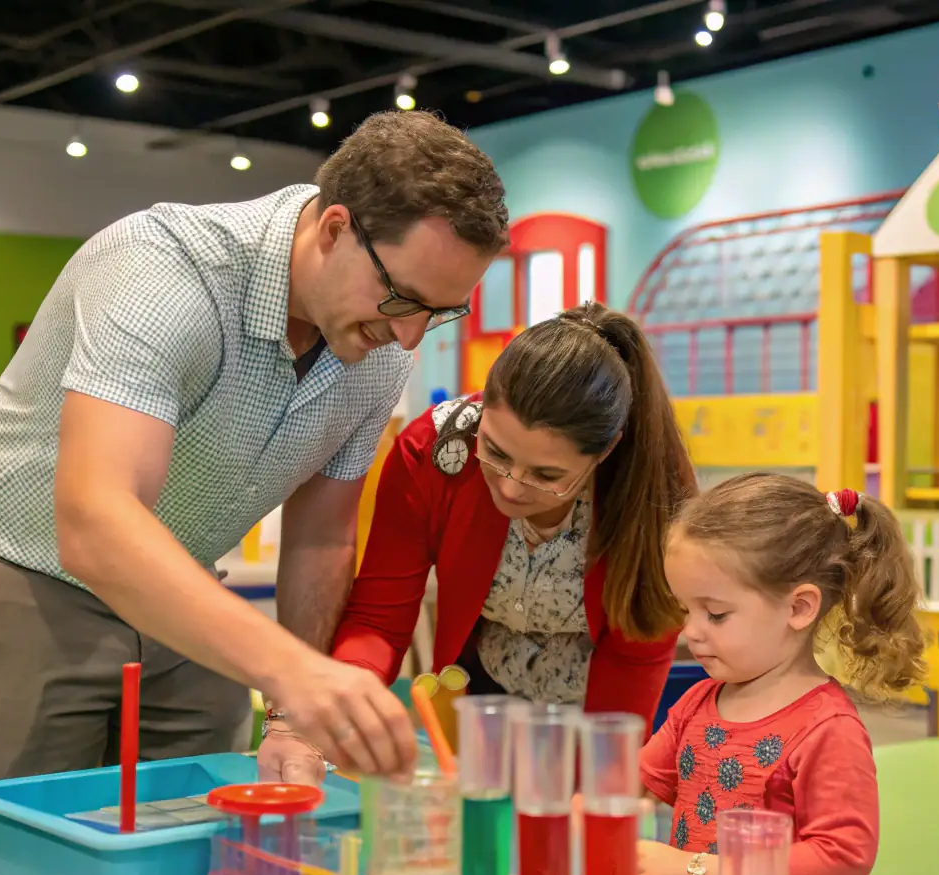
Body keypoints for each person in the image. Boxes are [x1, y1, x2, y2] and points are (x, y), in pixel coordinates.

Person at [0, 109, 508, 875]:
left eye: (443, 311)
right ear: (335, 225)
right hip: (18, 566)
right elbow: (97, 525)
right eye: (403, 302)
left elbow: (318, 537)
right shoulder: (163, 269)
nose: (411, 339)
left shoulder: (370, 345)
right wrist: (294, 669)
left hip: (177, 585)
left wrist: (297, 715)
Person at [257, 301, 697, 780]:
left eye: (546, 475)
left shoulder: (652, 490)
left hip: (596, 711)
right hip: (480, 706)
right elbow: (380, 618)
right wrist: (341, 709)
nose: (510, 486)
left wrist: (598, 778)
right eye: (495, 451)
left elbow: (639, 646)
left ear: (604, 451)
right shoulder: (434, 452)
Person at [635, 474, 928, 875]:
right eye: (685, 609)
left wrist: (695, 870)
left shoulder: (826, 729)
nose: (691, 632)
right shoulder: (699, 703)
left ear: (799, 608)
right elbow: (640, 781)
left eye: (715, 614)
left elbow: (842, 858)